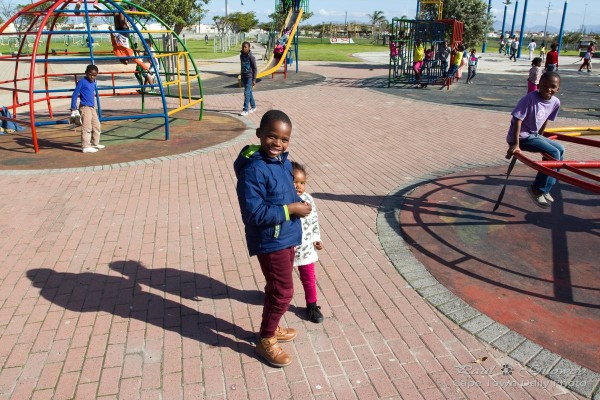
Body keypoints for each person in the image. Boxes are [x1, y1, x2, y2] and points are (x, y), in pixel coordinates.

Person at [233, 110, 312, 368]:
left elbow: (283, 194)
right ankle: (265, 339)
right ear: (259, 135)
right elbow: (254, 214)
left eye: (284, 139)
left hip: (286, 235)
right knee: (283, 292)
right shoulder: (254, 170)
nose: (277, 143)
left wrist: (296, 202)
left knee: (276, 288)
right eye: (271, 136)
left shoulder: (283, 163)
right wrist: (290, 210)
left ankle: (272, 326)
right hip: (270, 240)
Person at [505, 72, 563, 209]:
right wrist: (515, 144)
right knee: (554, 152)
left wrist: (541, 136)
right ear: (539, 85)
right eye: (544, 85)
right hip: (522, 137)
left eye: (552, 87)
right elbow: (517, 121)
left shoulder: (555, 102)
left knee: (560, 149)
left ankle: (547, 187)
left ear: (558, 89)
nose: (548, 89)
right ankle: (537, 189)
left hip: (533, 135)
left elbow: (545, 119)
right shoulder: (529, 99)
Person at [291, 161, 324, 324]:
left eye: (302, 183)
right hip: (286, 248)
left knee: (309, 277)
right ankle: (275, 296)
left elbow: (314, 220)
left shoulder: (308, 198)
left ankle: (312, 305)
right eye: (295, 181)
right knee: (281, 278)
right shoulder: (283, 199)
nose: (299, 186)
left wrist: (316, 238)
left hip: (305, 248)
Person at [70, 64, 105, 153]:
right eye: (90, 74)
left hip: (92, 108)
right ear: (86, 73)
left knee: (97, 125)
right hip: (85, 107)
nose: (92, 77)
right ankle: (85, 146)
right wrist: (73, 108)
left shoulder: (93, 82)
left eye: (94, 75)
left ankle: (95, 143)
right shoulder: (82, 82)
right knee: (87, 127)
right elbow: (75, 94)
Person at [239, 41, 257, 116]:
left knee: (246, 93)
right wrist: (242, 78)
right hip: (244, 77)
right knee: (249, 92)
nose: (244, 48)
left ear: (249, 48)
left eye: (245, 47)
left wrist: (254, 79)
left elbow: (255, 68)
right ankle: (253, 107)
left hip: (250, 77)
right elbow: (242, 67)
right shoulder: (241, 56)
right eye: (243, 47)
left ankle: (245, 109)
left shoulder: (251, 57)